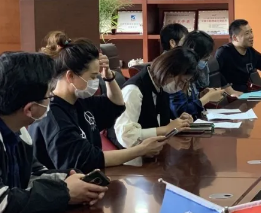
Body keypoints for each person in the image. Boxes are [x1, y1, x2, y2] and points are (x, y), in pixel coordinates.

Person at [0, 52, 108, 213]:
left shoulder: (19, 132)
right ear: (30, 109)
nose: (52, 99)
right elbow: (3, 202)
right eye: (49, 95)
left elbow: (34, 173)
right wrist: (64, 192)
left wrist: (68, 179)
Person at [30, 39, 167, 172]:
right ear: (70, 76)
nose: (95, 82)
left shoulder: (80, 101)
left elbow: (117, 105)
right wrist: (140, 150)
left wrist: (108, 76)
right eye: (92, 76)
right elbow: (85, 159)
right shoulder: (53, 115)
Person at [115, 47, 198, 149]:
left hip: (155, 150)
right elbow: (125, 136)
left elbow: (154, 121)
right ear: (170, 72)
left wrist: (178, 123)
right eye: (182, 81)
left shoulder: (160, 85)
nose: (182, 87)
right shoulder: (133, 90)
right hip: (133, 155)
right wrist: (166, 129)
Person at [168, 31, 229, 119]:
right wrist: (206, 98)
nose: (208, 58)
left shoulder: (192, 72)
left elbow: (189, 101)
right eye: (206, 55)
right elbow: (181, 112)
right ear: (193, 51)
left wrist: (200, 95)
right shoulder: (177, 74)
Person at [215, 19, 261, 92]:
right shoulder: (224, 52)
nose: (251, 36)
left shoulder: (251, 52)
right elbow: (215, 75)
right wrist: (228, 89)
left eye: (251, 32)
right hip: (230, 95)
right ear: (235, 38)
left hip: (246, 93)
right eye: (247, 33)